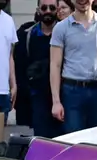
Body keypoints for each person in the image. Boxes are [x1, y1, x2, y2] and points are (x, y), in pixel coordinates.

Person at [50, 0, 97, 134]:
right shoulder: (60, 28)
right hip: (72, 93)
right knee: (74, 140)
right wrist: (56, 101)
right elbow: (55, 65)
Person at [18, 0, 61, 137]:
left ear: (57, 9)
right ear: (38, 10)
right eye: (44, 8)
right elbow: (20, 65)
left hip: (62, 95)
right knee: (41, 137)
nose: (48, 11)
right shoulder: (27, 34)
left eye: (52, 8)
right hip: (37, 96)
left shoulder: (65, 32)